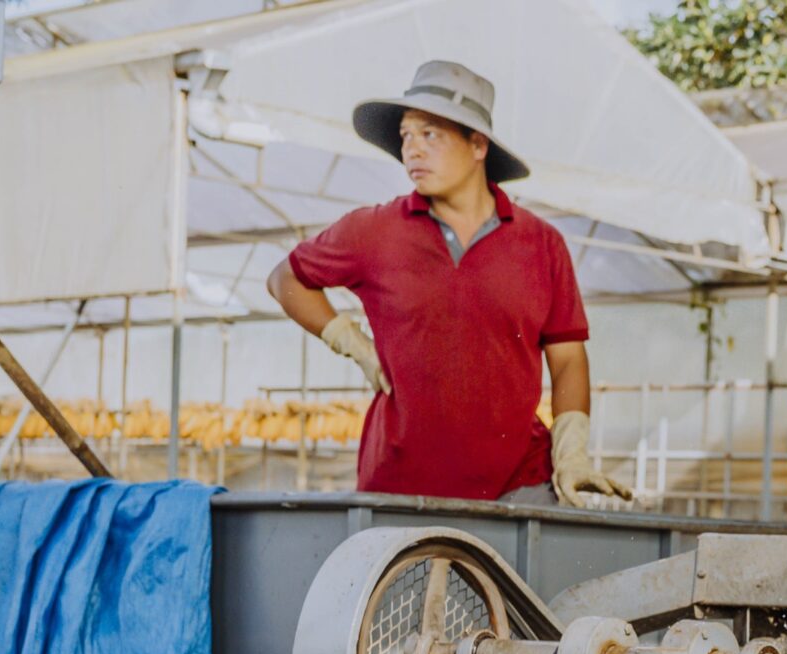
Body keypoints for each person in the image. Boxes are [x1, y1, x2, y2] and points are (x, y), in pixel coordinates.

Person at [267, 60, 629, 509]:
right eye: (405, 136)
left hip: (518, 487)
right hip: (399, 487)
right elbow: (285, 278)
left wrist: (571, 455)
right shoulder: (373, 230)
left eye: (430, 134)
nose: (412, 150)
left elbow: (569, 360)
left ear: (478, 145)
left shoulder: (541, 244)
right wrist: (353, 343)